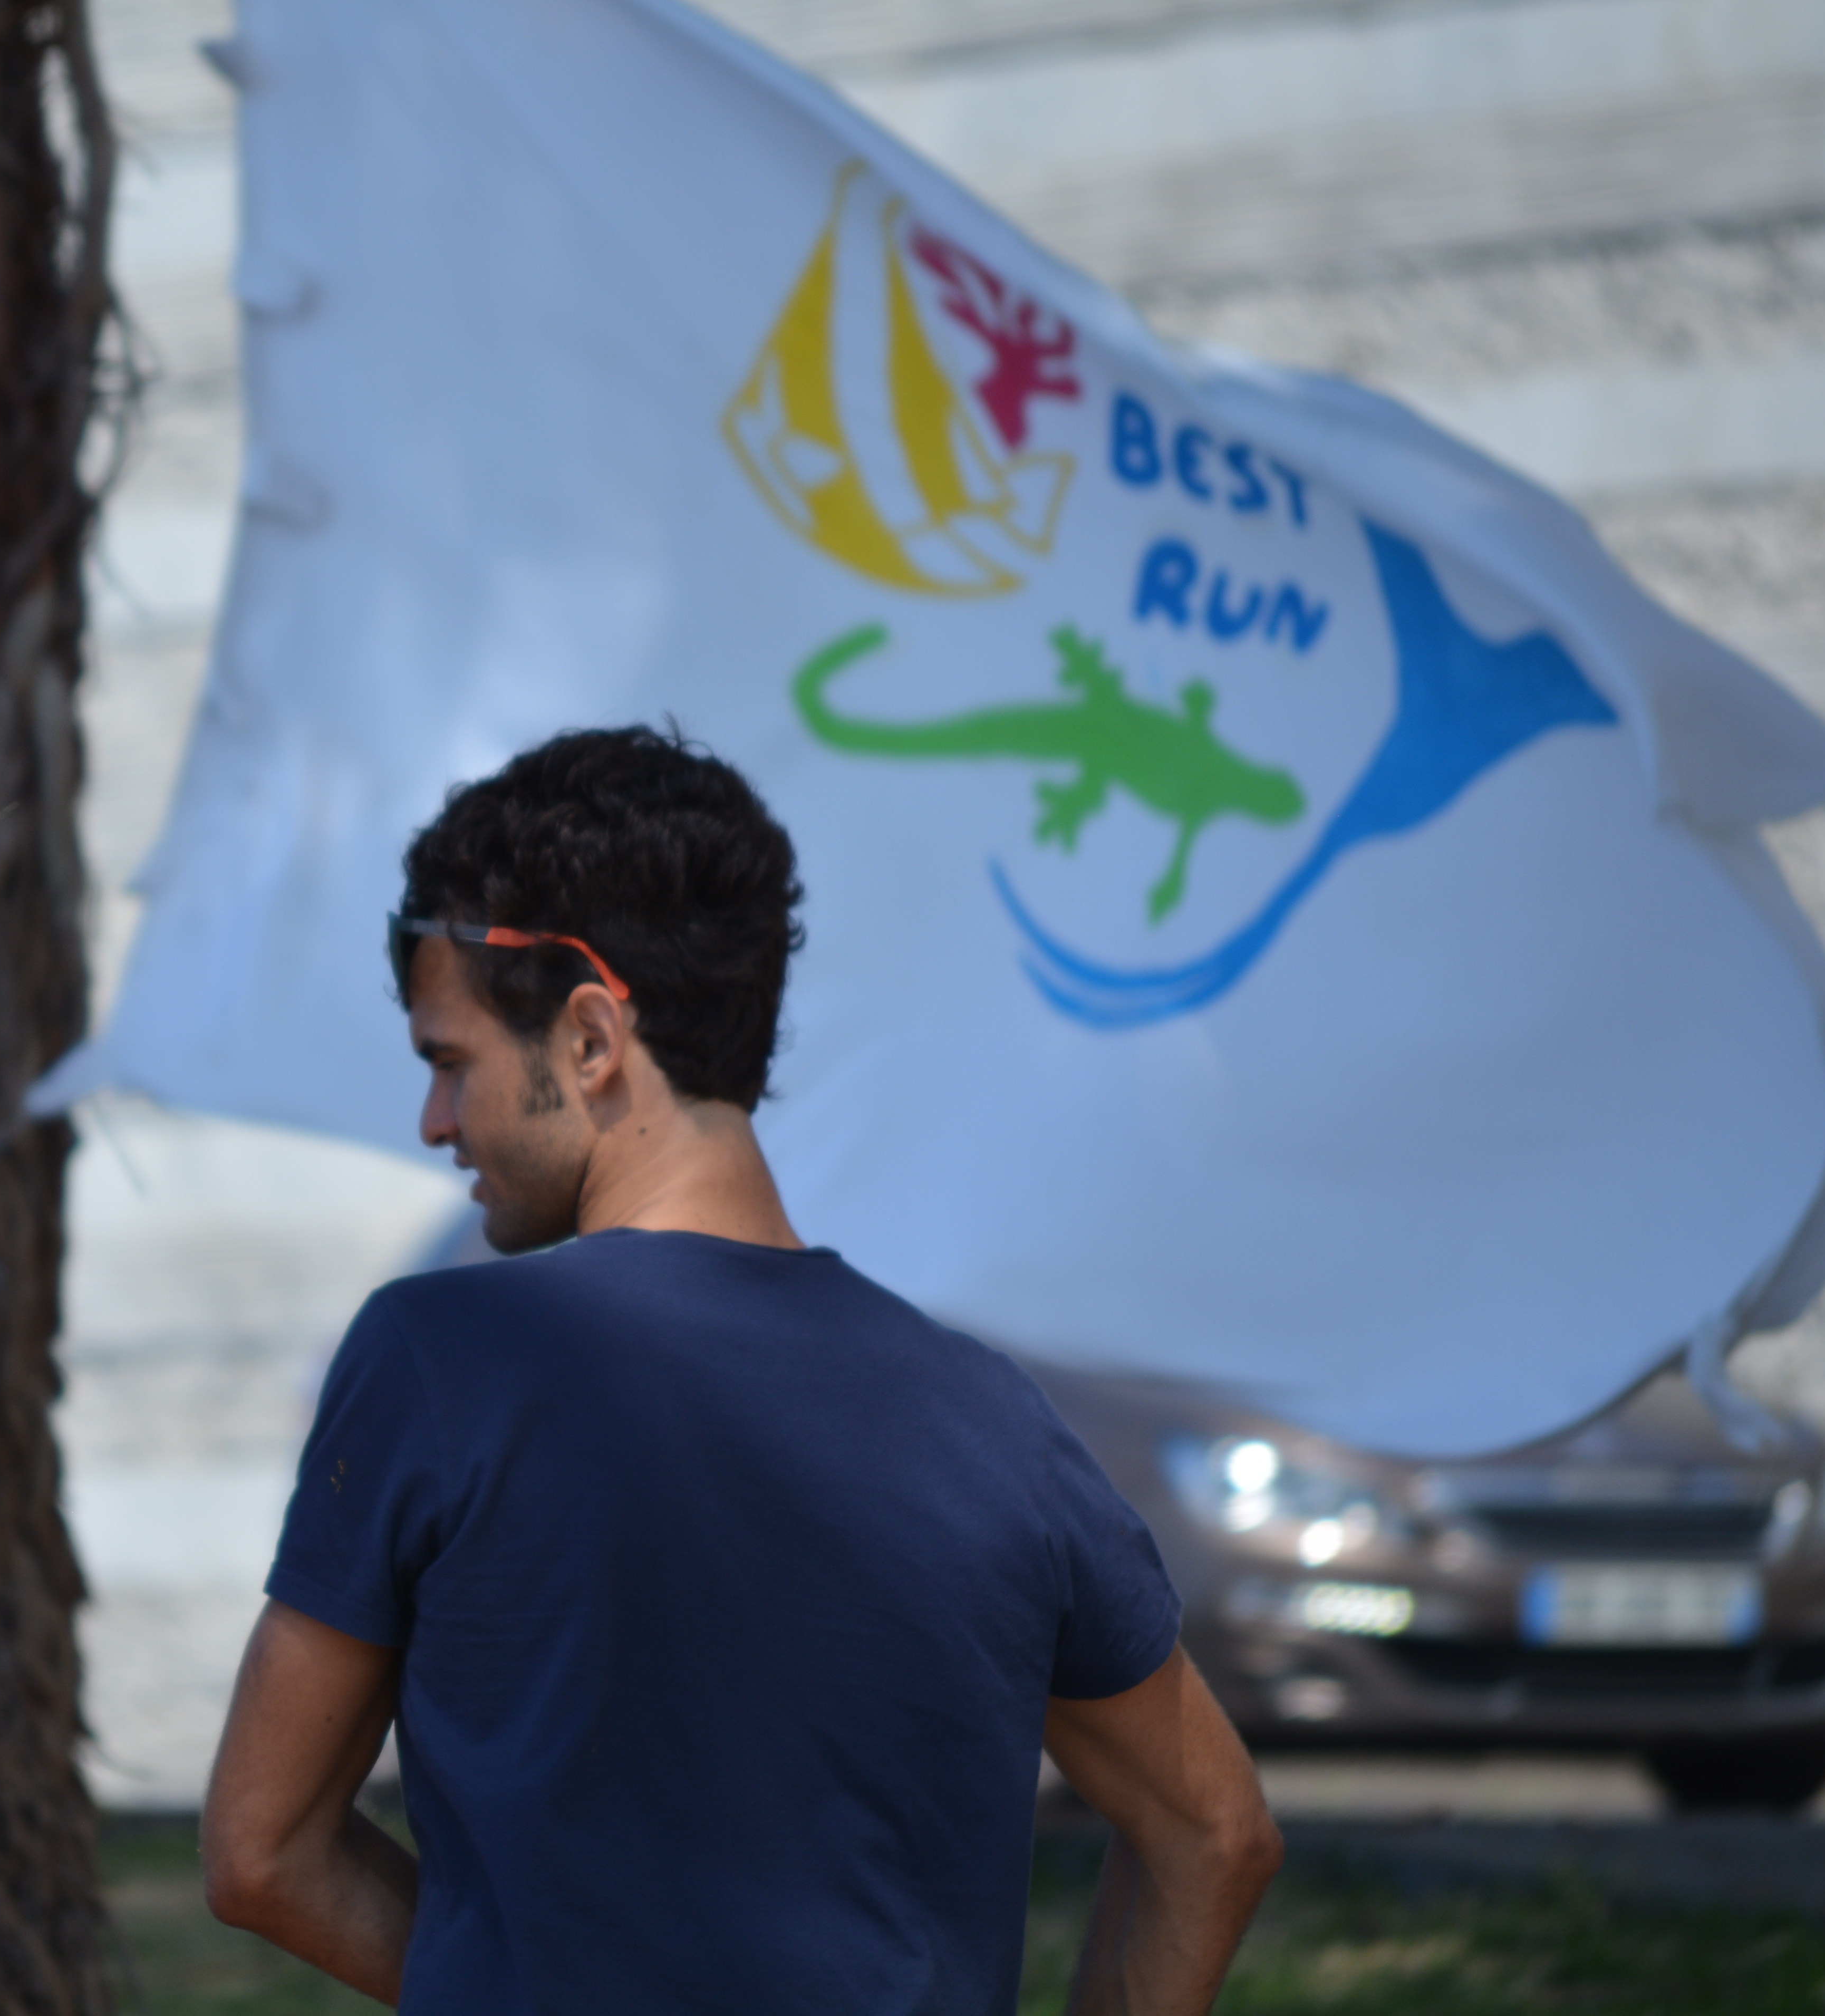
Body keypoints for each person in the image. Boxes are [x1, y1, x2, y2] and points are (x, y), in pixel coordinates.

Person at [200, 727, 1281, 2013]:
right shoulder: (1002, 1424)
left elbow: (261, 1851)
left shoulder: (442, 1359)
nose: (437, 1122)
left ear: (592, 1036)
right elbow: (1216, 1834)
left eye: (451, 1060)